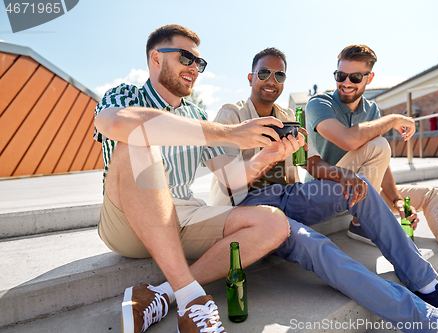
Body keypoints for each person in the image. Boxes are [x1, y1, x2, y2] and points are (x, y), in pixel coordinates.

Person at [209, 47, 438, 333]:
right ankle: (429, 321)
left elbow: (311, 162)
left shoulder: (287, 115)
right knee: (315, 244)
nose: (271, 79)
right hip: (250, 208)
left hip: (288, 194)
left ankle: (428, 285)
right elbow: (229, 180)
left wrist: (345, 176)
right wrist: (269, 154)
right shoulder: (232, 114)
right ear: (250, 78)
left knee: (362, 188)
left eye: (279, 74)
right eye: (263, 73)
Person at [93, 25, 307, 333]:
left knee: (274, 223)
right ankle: (191, 299)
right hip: (127, 222)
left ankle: (162, 293)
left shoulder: (196, 116)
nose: (195, 68)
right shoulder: (127, 95)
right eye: (186, 58)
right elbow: (115, 124)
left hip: (183, 218)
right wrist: (231, 132)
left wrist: (269, 156)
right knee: (136, 139)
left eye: (199, 63)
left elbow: (231, 179)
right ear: (156, 58)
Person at [305, 44, 438, 289]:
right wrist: (394, 119)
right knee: (379, 143)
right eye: (340, 75)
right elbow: (348, 139)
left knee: (431, 195)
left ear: (369, 77)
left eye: (354, 77)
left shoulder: (371, 110)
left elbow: (378, 160)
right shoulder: (318, 104)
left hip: (361, 191)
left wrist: (396, 199)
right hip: (326, 191)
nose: (345, 82)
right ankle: (361, 223)